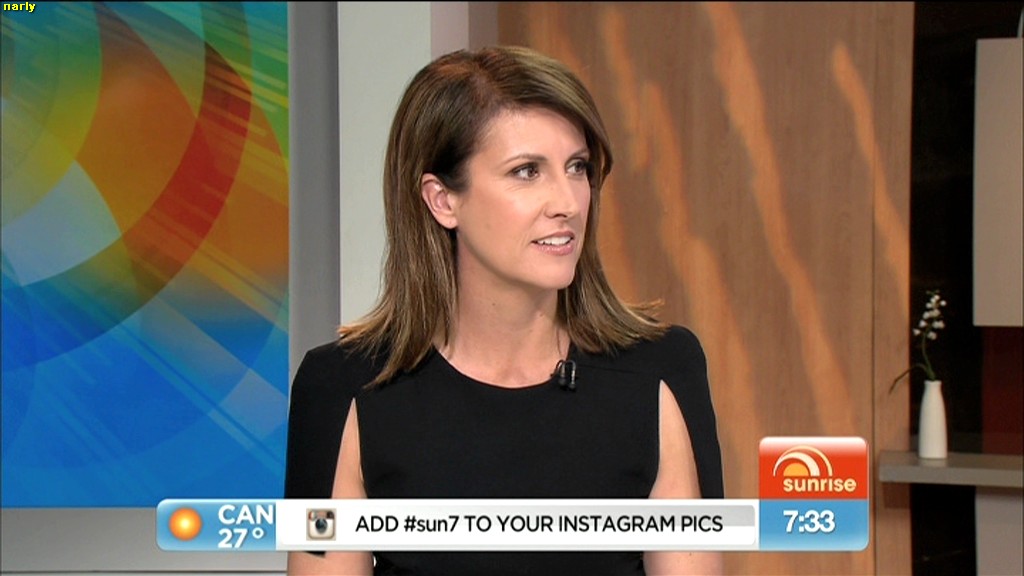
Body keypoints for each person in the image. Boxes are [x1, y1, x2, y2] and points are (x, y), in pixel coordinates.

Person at [284, 45, 724, 576]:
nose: (568, 202)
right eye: (526, 172)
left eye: (577, 167)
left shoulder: (662, 371)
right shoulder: (341, 387)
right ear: (443, 200)